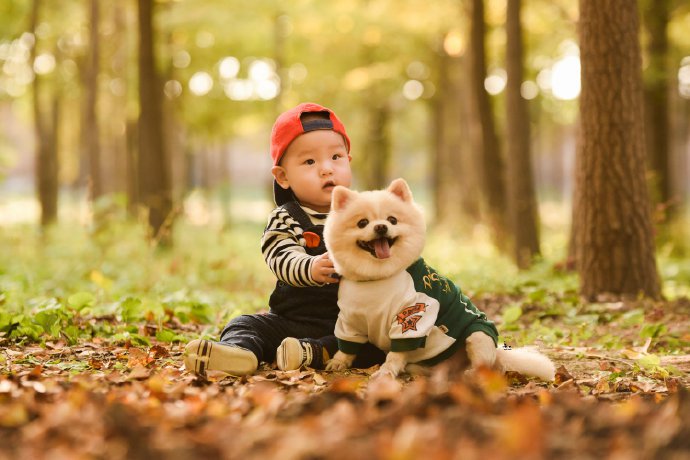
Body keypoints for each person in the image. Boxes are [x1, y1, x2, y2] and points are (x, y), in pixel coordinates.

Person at [184, 102, 385, 376]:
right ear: (283, 177)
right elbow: (280, 255)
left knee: (379, 339)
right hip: (293, 320)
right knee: (244, 323)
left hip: (354, 323)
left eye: (336, 157)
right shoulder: (285, 217)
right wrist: (310, 267)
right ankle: (239, 352)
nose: (326, 169)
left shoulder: (366, 212)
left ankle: (311, 352)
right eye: (310, 161)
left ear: (348, 161)